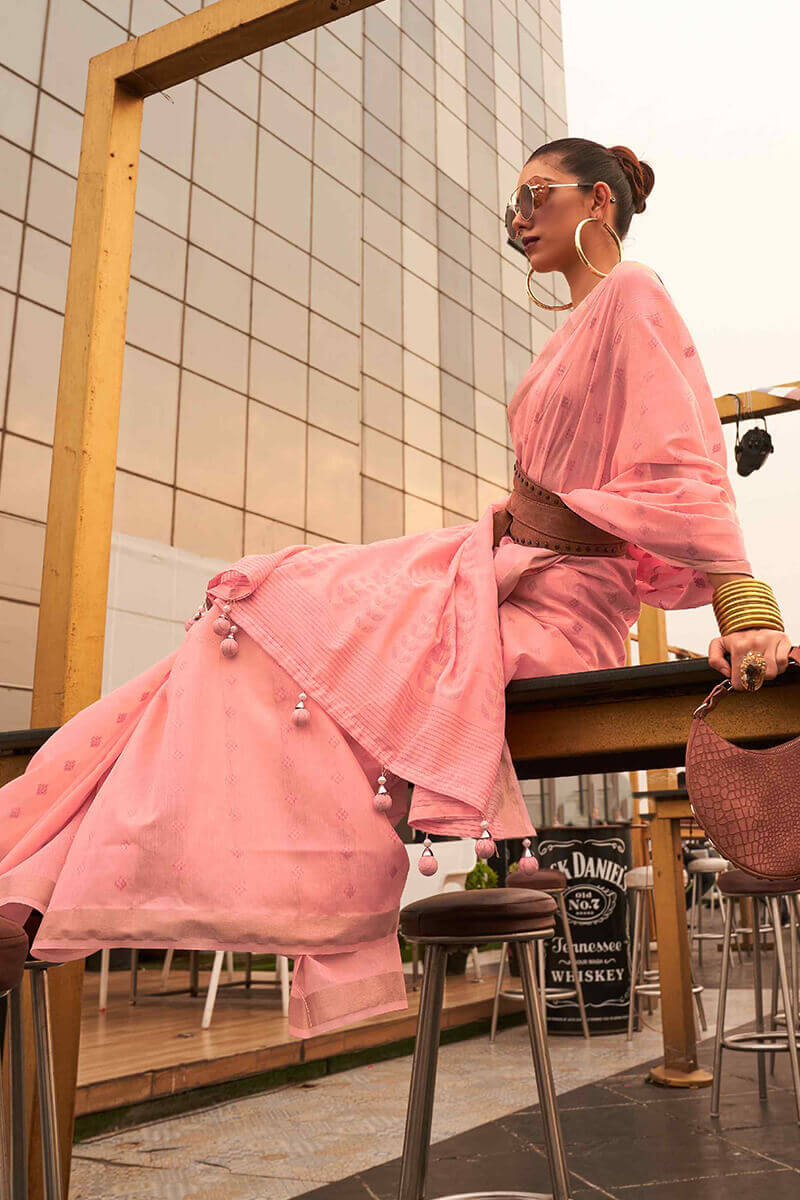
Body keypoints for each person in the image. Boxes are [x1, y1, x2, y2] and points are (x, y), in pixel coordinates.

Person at [0, 138, 790, 1038]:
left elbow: (686, 459)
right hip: (500, 573)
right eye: (514, 203)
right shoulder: (578, 324)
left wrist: (744, 607)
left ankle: (52, 885)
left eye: (537, 196)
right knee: (252, 609)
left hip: (562, 607)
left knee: (281, 613)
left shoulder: (633, 293)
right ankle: (33, 870)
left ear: (598, 203)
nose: (519, 219)